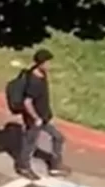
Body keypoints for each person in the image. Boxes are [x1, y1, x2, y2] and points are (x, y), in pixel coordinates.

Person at [16, 49, 69, 180]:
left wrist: (47, 115)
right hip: (35, 119)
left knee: (59, 138)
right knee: (30, 143)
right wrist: (36, 118)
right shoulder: (33, 81)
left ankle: (55, 166)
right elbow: (27, 102)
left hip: (43, 116)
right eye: (47, 63)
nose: (49, 65)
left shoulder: (42, 74)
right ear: (40, 63)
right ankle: (23, 167)